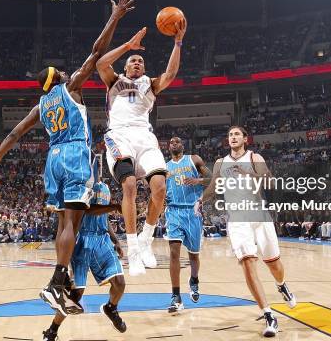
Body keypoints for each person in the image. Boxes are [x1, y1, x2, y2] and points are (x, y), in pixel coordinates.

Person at [0, 0, 135, 316]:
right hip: (74, 154)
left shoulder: (40, 105)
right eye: (60, 71)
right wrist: (115, 16)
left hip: (53, 159)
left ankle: (57, 282)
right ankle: (56, 282)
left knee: (64, 222)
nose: (64, 71)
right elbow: (97, 52)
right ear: (57, 79)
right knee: (72, 220)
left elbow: (15, 133)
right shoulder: (72, 87)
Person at [96, 18, 187, 276]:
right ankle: (133, 248)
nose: (137, 63)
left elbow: (170, 74)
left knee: (159, 188)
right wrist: (128, 45)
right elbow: (100, 62)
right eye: (133, 61)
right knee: (129, 185)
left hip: (145, 137)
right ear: (125, 66)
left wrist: (177, 43)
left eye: (141, 61)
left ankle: (146, 240)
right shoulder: (114, 81)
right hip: (119, 136)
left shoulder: (150, 83)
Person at [202, 126, 296, 337]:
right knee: (247, 262)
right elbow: (214, 186)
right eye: (230, 135)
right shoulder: (220, 163)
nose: (233, 137)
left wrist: (249, 173)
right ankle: (269, 315)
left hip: (259, 216)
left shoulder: (255, 157)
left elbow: (270, 182)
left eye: (237, 134)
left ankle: (281, 285)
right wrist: (201, 199)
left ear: (245, 139)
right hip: (237, 219)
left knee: (274, 264)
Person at [43, 170, 126, 341]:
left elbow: (104, 215)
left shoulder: (105, 188)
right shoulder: (82, 187)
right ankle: (52, 330)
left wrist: (115, 239)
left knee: (119, 283)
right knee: (75, 295)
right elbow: (88, 210)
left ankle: (111, 308)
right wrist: (116, 207)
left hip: (102, 239)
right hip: (82, 239)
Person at [164, 137, 211, 314]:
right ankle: (176, 297)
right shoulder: (164, 167)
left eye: (177, 141)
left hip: (192, 212)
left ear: (183, 146)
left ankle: (194, 280)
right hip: (174, 211)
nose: (174, 143)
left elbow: (212, 179)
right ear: (168, 147)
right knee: (174, 253)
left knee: (193, 256)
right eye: (171, 142)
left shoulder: (194, 159)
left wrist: (197, 181)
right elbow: (155, 186)